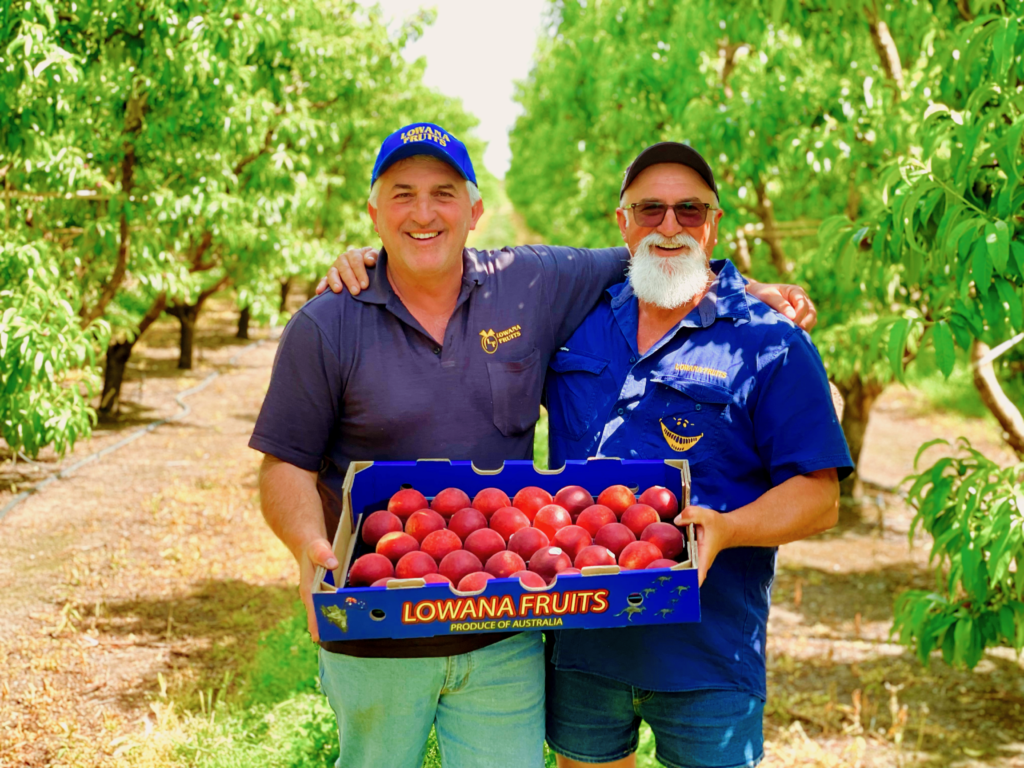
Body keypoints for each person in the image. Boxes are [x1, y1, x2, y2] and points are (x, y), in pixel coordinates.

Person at [265, 123, 817, 768]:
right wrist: (307, 543)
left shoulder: (527, 282)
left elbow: (660, 252)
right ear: (373, 211)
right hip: (379, 624)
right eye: (401, 194)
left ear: (475, 211)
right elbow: (285, 463)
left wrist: (745, 292)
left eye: (443, 193)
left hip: (506, 625)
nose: (423, 213)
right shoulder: (328, 321)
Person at [539, 143, 853, 768]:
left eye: (690, 210)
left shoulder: (767, 340)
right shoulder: (576, 319)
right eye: (650, 209)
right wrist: (370, 263)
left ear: (714, 223)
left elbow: (819, 497)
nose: (670, 225)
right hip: (581, 641)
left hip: (707, 651)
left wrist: (731, 527)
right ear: (621, 222)